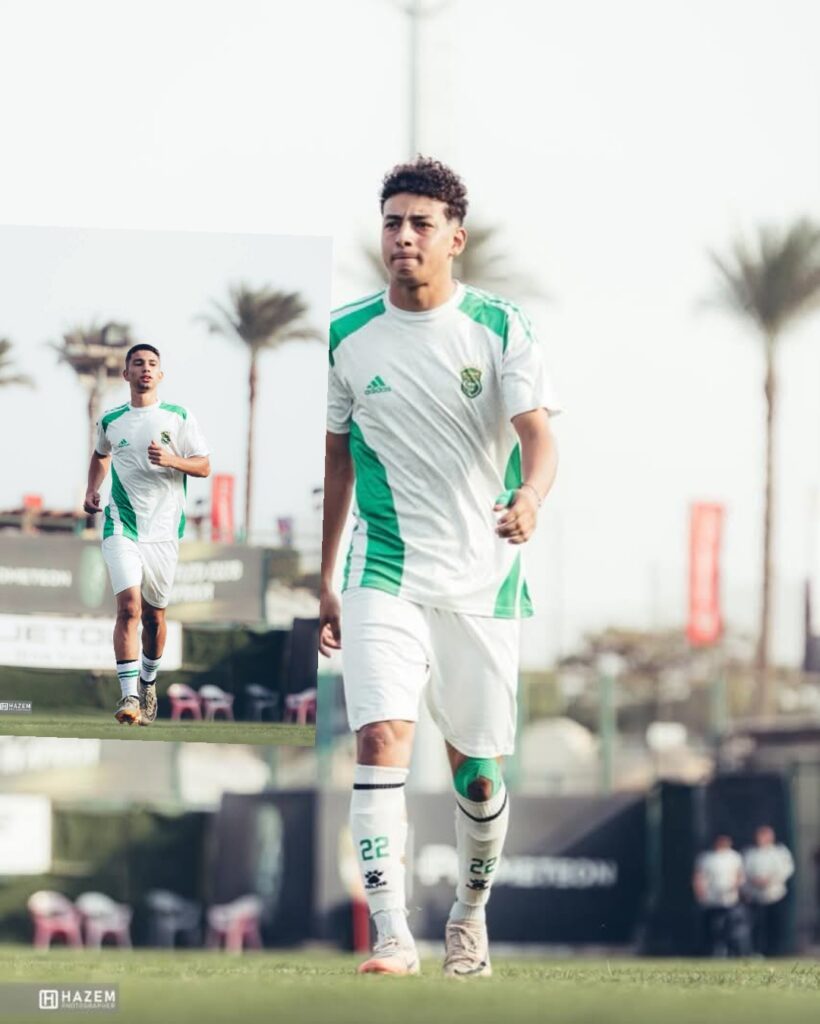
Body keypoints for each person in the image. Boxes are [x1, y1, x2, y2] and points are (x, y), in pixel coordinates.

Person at [319, 158, 559, 977]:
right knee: (381, 736)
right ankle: (391, 933)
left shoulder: (500, 326)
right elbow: (337, 460)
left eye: (422, 224)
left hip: (484, 580)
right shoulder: (345, 336)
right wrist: (324, 575)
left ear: (455, 238)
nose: (404, 237)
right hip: (382, 571)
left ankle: (468, 916)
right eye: (393, 222)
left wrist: (530, 496)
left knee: (479, 776)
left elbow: (539, 436)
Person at [83, 344, 210, 726]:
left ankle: (148, 681)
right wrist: (92, 489)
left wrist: (172, 460)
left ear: (160, 374)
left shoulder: (178, 416)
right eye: (138, 363)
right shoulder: (112, 420)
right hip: (122, 525)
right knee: (129, 609)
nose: (145, 369)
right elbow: (101, 455)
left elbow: (204, 465)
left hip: (164, 534)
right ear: (126, 374)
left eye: (152, 364)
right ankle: (129, 696)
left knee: (154, 619)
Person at [692, 834, 750, 957]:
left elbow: (739, 875)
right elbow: (698, 876)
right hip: (711, 899)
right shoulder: (706, 858)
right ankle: (713, 952)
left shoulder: (734, 857)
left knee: (732, 928)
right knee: (713, 928)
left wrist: (735, 889)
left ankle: (733, 952)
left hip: (729, 899)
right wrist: (700, 891)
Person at [743, 825, 794, 956]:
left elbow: (786, 870)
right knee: (759, 926)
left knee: (776, 925)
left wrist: (769, 880)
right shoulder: (751, 853)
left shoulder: (779, 852)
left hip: (775, 894)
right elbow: (745, 872)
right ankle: (759, 951)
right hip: (757, 896)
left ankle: (777, 951)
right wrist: (755, 881)